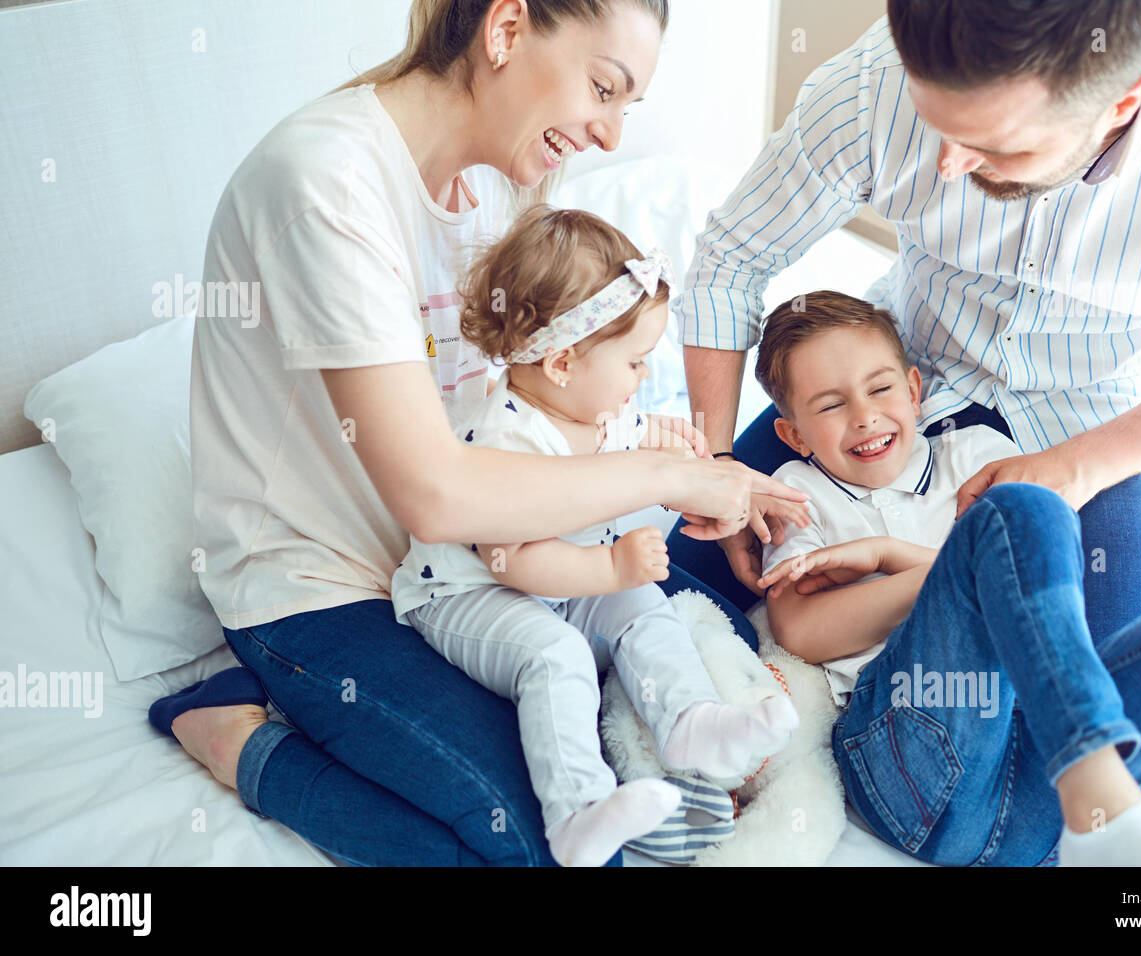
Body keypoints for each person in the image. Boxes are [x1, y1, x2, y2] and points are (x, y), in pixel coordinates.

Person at [148, 0, 808, 867]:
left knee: (670, 688)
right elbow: (436, 489)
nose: (609, 134)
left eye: (627, 108)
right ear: (504, 29)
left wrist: (715, 472)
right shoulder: (326, 183)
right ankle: (239, 740)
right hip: (323, 587)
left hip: (477, 563)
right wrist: (663, 477)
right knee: (533, 847)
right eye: (603, 89)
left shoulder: (510, 183)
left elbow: (553, 404)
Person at [666, 0, 1141, 649]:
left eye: (992, 145)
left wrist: (1075, 469)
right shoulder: (871, 85)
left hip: (1096, 422)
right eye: (934, 123)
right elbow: (732, 259)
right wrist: (717, 465)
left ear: (1122, 102)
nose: (946, 166)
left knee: (1111, 680)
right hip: (906, 370)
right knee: (670, 599)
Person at [752, 290, 1141, 866]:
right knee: (1022, 516)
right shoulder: (795, 494)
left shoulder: (978, 455)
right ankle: (1098, 790)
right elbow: (801, 629)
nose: (864, 415)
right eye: (831, 405)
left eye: (880, 388)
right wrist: (952, 568)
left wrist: (889, 555)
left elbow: (1028, 583)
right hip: (919, 771)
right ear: (793, 435)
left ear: (915, 391)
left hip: (1043, 795)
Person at [394, 206, 799, 867]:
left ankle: (690, 724)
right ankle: (577, 811)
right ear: (561, 363)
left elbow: (637, 434)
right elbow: (514, 562)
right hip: (467, 597)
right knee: (556, 655)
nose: (645, 377)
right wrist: (611, 567)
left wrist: (676, 444)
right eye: (636, 362)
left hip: (567, 578)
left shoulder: (597, 403)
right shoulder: (511, 436)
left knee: (648, 606)